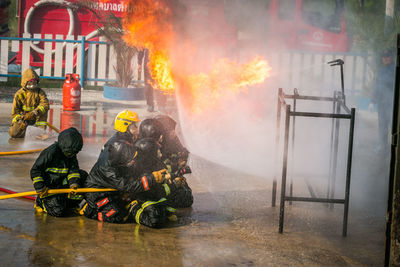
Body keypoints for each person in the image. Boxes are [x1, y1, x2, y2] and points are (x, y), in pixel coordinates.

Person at [82, 110, 175, 227]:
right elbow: (128, 186)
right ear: (125, 126)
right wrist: (152, 178)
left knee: (127, 198)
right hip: (99, 192)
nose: (137, 130)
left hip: (115, 185)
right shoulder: (110, 168)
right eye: (134, 127)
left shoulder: (122, 143)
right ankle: (89, 209)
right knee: (117, 215)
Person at [31, 127, 87, 217]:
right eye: (69, 153)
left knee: (83, 176)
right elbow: (35, 170)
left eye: (74, 153)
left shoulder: (71, 154)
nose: (72, 155)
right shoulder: (50, 153)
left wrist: (74, 184)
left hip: (61, 183)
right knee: (58, 211)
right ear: (62, 146)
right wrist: (40, 187)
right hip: (49, 187)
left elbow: (73, 170)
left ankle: (70, 204)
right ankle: (40, 202)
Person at [139, 116, 193, 208]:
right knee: (182, 198)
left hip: (167, 177)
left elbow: (180, 152)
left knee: (186, 195)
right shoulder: (150, 148)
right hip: (156, 184)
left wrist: (182, 159)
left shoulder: (172, 140)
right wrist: (174, 176)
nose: (174, 133)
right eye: (171, 130)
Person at [9, 68, 49, 139]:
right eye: (31, 82)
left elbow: (45, 105)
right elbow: (14, 113)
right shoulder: (19, 94)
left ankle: (40, 132)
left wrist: (35, 113)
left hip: (36, 117)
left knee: (43, 111)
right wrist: (21, 121)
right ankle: (27, 133)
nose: (33, 84)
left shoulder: (40, 92)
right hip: (24, 119)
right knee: (13, 133)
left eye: (34, 82)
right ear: (25, 82)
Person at [370, 50, 396, 152]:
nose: (385, 58)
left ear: (391, 57)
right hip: (382, 104)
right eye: (384, 57)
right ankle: (382, 146)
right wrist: (372, 101)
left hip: (392, 104)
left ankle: (395, 148)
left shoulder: (395, 70)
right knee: (382, 126)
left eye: (387, 56)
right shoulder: (381, 71)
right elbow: (377, 87)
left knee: (393, 126)